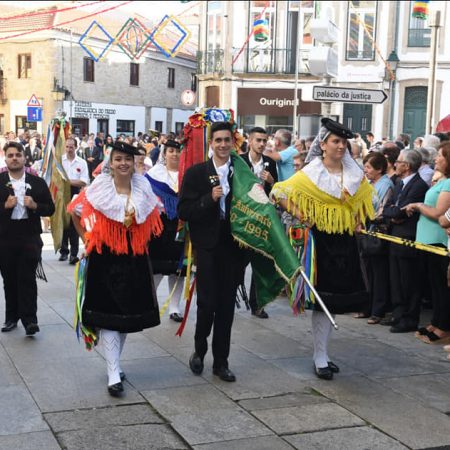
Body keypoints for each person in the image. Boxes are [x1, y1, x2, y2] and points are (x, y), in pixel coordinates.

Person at [271, 118, 374, 380]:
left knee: (337, 300)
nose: (340, 147)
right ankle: (319, 357)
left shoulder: (354, 174)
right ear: (323, 145)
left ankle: (324, 353)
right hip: (321, 244)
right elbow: (280, 192)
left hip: (346, 242)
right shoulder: (311, 173)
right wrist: (303, 216)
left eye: (344, 143)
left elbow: (361, 203)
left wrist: (358, 221)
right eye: (335, 142)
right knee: (322, 301)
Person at [68, 141, 162, 396]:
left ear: (133, 163)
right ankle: (113, 375)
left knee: (126, 318)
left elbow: (155, 214)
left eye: (127, 159)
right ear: (110, 163)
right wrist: (87, 238)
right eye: (118, 159)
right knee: (110, 316)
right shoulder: (99, 188)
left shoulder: (143, 188)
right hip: (106, 259)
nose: (123, 163)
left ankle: (115, 365)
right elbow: (75, 211)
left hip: (135, 259)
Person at [178, 121, 244, 382]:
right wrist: (209, 199)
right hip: (207, 247)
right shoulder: (196, 173)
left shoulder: (241, 171)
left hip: (232, 248)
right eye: (218, 140)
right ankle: (199, 351)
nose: (223, 145)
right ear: (211, 143)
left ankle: (221, 362)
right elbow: (184, 211)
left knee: (227, 307)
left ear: (233, 142)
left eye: (227, 140)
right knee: (207, 304)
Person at [0, 142, 55, 335]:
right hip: (5, 237)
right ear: (5, 158)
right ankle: (11, 318)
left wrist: (35, 206)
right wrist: (5, 207)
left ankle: (30, 320)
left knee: (27, 279)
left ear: (24, 158)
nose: (14, 158)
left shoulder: (37, 182)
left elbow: (51, 208)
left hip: (29, 236)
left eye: (18, 155)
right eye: (10, 155)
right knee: (9, 279)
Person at [404, 143, 450, 344]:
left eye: (440, 156)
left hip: (437, 241)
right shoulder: (442, 181)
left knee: (441, 287)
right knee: (433, 285)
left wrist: (418, 205)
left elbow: (439, 213)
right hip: (427, 241)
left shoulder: (448, 185)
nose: (436, 159)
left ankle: (443, 326)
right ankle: (436, 321)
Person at [382, 150, 429, 332]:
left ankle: (409, 318)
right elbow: (389, 209)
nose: (395, 164)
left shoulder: (418, 186)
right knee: (396, 279)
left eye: (399, 161)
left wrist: (395, 212)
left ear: (407, 166)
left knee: (409, 280)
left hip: (407, 237)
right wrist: (393, 214)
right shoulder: (399, 183)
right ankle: (398, 313)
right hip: (395, 235)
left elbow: (400, 211)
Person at [240, 127, 278, 319]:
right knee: (238, 263)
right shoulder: (240, 160)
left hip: (262, 219)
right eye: (258, 140)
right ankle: (230, 298)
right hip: (243, 218)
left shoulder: (270, 163)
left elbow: (276, 192)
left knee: (260, 262)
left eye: (264, 141)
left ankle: (257, 304)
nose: (262, 144)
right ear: (250, 141)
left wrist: (271, 181)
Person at [146, 140, 185, 322]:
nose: (175, 154)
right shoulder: (154, 174)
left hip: (182, 224)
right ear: (165, 153)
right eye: (171, 151)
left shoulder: (187, 173)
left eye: (177, 150)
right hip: (160, 226)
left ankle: (174, 308)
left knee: (178, 270)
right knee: (158, 268)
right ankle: (150, 304)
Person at [356, 152, 394, 324]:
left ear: (379, 169)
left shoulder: (386, 185)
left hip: (378, 232)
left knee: (378, 274)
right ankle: (366, 306)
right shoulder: (369, 183)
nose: (366, 170)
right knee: (367, 272)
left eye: (369, 167)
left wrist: (367, 217)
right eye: (365, 166)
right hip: (365, 231)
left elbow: (382, 210)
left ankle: (378, 310)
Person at [59, 138, 89, 264]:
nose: (69, 149)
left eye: (71, 147)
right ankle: (64, 251)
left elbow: (84, 181)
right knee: (63, 222)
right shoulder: (60, 160)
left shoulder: (81, 162)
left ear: (76, 147)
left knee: (74, 223)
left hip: (75, 193)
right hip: (62, 194)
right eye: (67, 147)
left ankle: (73, 254)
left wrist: (68, 182)